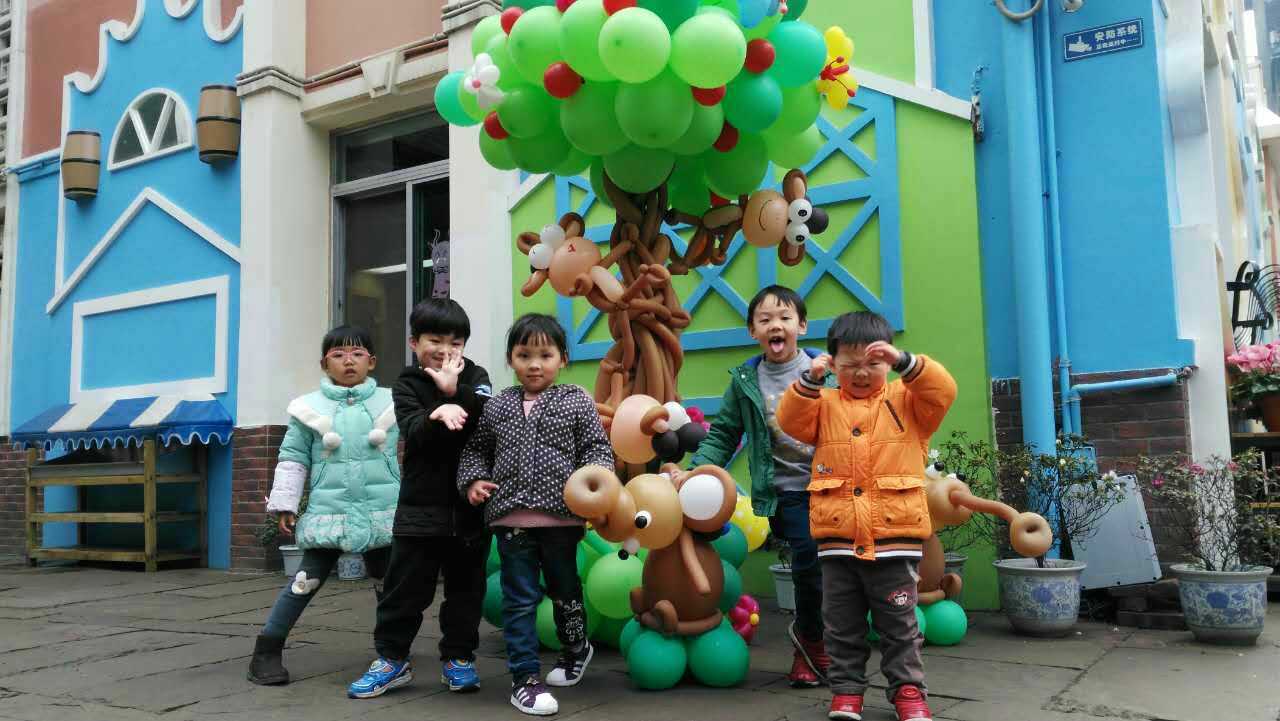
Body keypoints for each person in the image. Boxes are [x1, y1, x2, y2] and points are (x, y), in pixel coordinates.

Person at [777, 311, 957, 721]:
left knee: (900, 626)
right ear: (833, 363)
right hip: (838, 542)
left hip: (895, 540)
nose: (861, 373)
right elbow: (790, 419)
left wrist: (907, 363)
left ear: (888, 361)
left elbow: (943, 391)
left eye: (873, 363)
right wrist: (809, 381)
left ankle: (908, 691)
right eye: (850, 364)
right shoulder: (823, 404)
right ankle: (846, 693)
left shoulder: (908, 400)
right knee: (841, 626)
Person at [457, 313, 614, 717]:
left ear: (562, 359)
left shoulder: (576, 399)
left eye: (545, 355)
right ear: (510, 359)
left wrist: (598, 483)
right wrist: (473, 480)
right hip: (511, 521)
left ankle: (576, 648)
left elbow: (596, 449)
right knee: (519, 600)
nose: (534, 364)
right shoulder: (498, 406)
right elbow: (476, 450)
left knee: (565, 591)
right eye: (524, 355)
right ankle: (525, 679)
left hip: (562, 520)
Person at [687, 285, 837, 687]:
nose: (776, 325)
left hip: (835, 484)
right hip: (787, 490)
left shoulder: (827, 373)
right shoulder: (746, 380)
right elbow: (723, 434)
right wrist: (694, 471)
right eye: (765, 319)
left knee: (842, 568)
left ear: (801, 326)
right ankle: (810, 645)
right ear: (753, 330)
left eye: (785, 318)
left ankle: (840, 641)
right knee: (809, 559)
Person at [347, 299, 494, 699]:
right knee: (404, 590)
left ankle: (458, 658)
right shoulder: (407, 384)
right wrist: (437, 413)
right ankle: (392, 659)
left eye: (455, 342)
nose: (445, 350)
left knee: (466, 592)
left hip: (469, 510)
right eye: (435, 340)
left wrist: (454, 392)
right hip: (419, 508)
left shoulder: (477, 376)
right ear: (414, 342)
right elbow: (413, 431)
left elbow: (484, 420)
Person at [248, 326, 400, 686]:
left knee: (390, 587)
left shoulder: (391, 403)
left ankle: (394, 651)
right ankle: (267, 649)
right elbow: (293, 456)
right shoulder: (308, 409)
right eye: (338, 354)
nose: (349, 361)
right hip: (329, 514)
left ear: (372, 361)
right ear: (324, 363)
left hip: (382, 512)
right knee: (304, 581)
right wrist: (286, 503)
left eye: (357, 354)